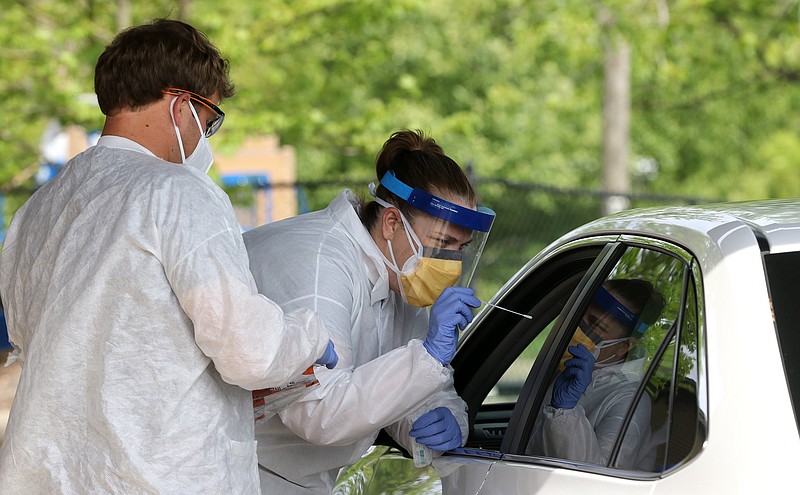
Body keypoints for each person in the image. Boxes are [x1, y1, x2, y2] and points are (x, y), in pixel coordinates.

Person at [0, 19, 336, 494]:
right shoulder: (177, 191)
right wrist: (310, 338)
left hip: (48, 473)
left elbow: (31, 335)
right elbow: (249, 351)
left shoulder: (39, 208)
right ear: (181, 106)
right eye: (210, 119)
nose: (206, 138)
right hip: (159, 475)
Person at [243, 129, 496, 494]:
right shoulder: (319, 264)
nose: (450, 263)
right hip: (240, 472)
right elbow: (318, 412)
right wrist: (426, 358)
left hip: (297, 478)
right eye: (442, 243)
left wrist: (441, 420)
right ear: (392, 223)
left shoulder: (398, 276)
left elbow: (410, 388)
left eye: (460, 248)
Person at [527, 278, 665, 470]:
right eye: (581, 315)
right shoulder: (565, 365)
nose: (578, 328)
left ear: (624, 346)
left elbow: (599, 479)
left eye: (594, 325)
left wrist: (565, 411)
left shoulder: (631, 401)